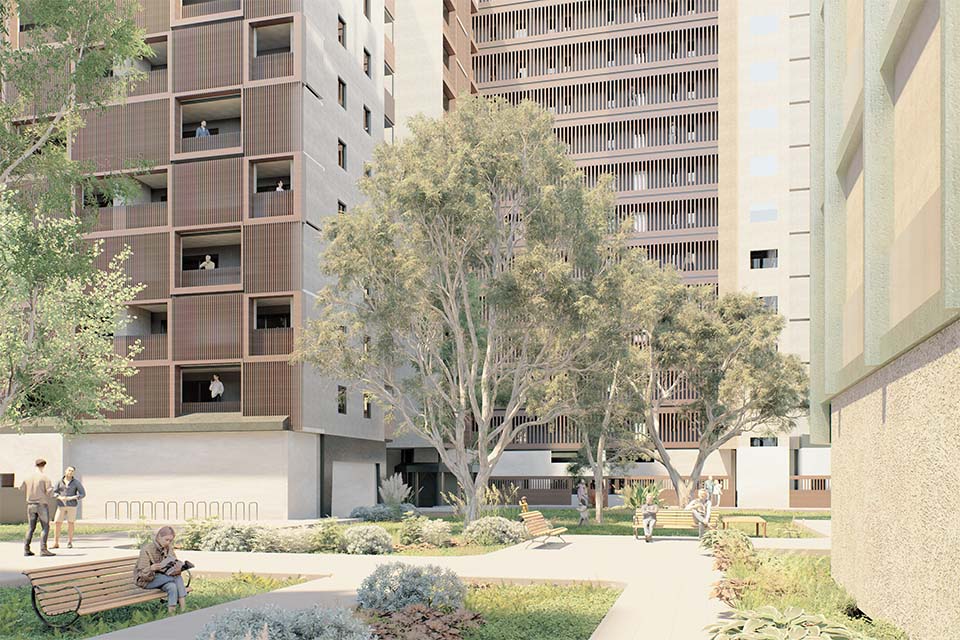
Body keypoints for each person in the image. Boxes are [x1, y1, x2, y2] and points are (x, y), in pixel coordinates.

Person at [135, 526, 189, 614]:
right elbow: (141, 573)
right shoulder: (147, 549)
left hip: (162, 578)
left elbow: (173, 561)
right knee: (176, 578)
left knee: (172, 586)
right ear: (159, 537)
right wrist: (151, 568)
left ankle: (171, 615)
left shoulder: (168, 548)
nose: (168, 543)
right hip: (146, 580)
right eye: (166, 539)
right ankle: (184, 609)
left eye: (170, 540)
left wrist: (177, 568)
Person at [21, 458, 55, 557]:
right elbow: (49, 492)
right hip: (41, 505)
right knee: (45, 527)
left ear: (35, 465)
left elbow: (21, 488)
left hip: (30, 505)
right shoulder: (45, 478)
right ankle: (43, 549)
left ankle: (26, 549)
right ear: (44, 466)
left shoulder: (27, 477)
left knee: (31, 527)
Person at [52, 466, 86, 549]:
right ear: (65, 471)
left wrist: (73, 497)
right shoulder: (59, 481)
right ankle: (56, 542)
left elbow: (83, 494)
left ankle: (70, 542)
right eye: (69, 470)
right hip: (61, 505)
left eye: (72, 471)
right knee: (57, 522)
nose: (70, 472)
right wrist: (59, 497)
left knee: (71, 523)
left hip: (72, 506)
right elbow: (54, 492)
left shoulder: (76, 482)